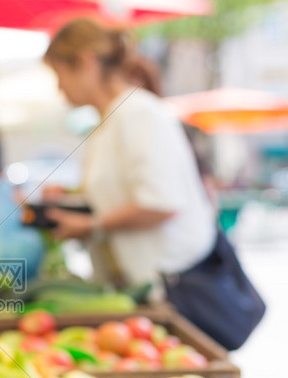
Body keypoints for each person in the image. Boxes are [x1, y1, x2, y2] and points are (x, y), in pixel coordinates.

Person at [41, 18, 217, 294]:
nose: (59, 87)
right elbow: (122, 192)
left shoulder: (137, 113)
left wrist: (90, 225)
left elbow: (160, 203)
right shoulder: (109, 121)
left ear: (86, 63)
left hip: (174, 287)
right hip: (139, 285)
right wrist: (71, 198)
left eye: (59, 73)